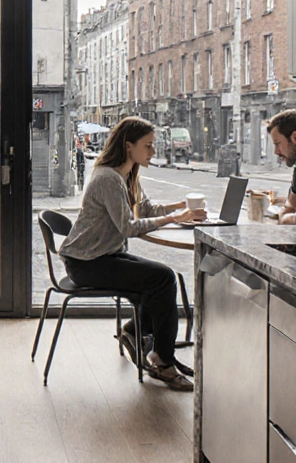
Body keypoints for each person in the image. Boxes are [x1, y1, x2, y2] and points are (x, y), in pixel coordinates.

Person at [58, 116, 205, 391]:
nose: (153, 151)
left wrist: (181, 207)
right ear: (129, 146)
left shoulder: (127, 174)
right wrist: (173, 218)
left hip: (103, 256)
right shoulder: (108, 179)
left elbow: (146, 209)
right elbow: (127, 227)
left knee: (160, 279)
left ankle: (137, 335)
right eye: (147, 146)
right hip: (86, 263)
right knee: (162, 278)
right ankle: (162, 360)